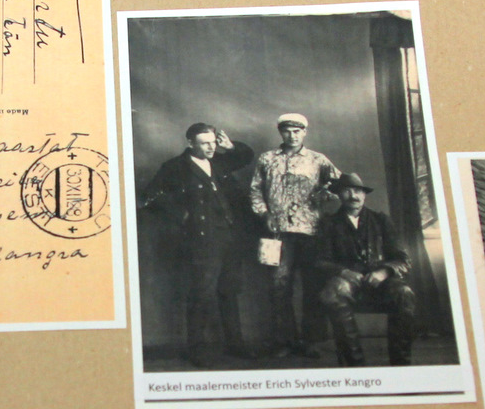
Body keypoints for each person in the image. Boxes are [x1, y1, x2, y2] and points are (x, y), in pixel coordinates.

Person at [139, 123, 256, 367]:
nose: (211, 147)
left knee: (229, 291)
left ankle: (235, 343)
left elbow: (246, 156)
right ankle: (197, 349)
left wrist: (230, 147)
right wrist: (182, 215)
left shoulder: (220, 161)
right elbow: (149, 197)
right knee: (201, 294)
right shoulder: (175, 167)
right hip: (201, 240)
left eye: (213, 142)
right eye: (205, 143)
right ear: (190, 143)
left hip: (228, 237)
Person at [248, 113, 340, 357]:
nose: (292, 135)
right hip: (276, 233)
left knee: (312, 286)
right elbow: (255, 190)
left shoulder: (318, 160)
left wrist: (325, 196)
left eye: (297, 131)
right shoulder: (267, 159)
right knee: (279, 286)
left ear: (305, 132)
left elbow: (340, 187)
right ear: (280, 132)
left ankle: (312, 341)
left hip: (311, 232)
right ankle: (284, 341)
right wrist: (264, 213)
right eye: (287, 131)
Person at [311, 172, 417, 367]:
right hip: (347, 284)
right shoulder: (329, 224)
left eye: (358, 191)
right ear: (339, 195)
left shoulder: (381, 220)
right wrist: (344, 272)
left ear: (364, 194)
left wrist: (383, 272)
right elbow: (319, 261)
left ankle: (401, 365)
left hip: (381, 284)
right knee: (334, 293)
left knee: (404, 293)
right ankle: (355, 366)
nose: (354, 196)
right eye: (347, 191)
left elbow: (403, 259)